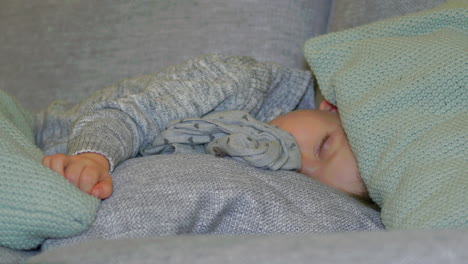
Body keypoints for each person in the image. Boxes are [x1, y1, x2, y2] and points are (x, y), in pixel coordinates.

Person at [42, 99, 369, 200]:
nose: (295, 161)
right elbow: (139, 111)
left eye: (307, 180)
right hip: (51, 125)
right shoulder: (248, 86)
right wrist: (92, 155)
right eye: (322, 145)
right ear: (333, 107)